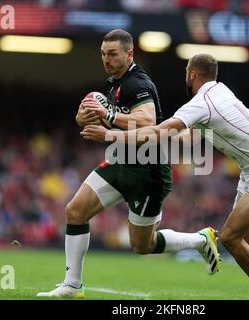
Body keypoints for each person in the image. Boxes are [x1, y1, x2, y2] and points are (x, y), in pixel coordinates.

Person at [82, 53, 249, 300]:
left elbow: (161, 132)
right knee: (247, 239)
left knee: (229, 238)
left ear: (192, 74)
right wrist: (163, 137)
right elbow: (189, 136)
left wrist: (109, 131)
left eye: (186, 72)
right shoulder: (220, 92)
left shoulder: (200, 103)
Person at [37, 30, 221, 298]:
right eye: (103, 54)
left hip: (148, 172)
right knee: (75, 211)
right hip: (120, 162)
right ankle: (72, 285)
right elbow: (107, 119)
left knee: (142, 245)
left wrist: (108, 114)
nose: (106, 59)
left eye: (112, 54)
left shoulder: (138, 84)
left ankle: (200, 240)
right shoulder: (114, 84)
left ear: (129, 54)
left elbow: (147, 122)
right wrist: (83, 117)